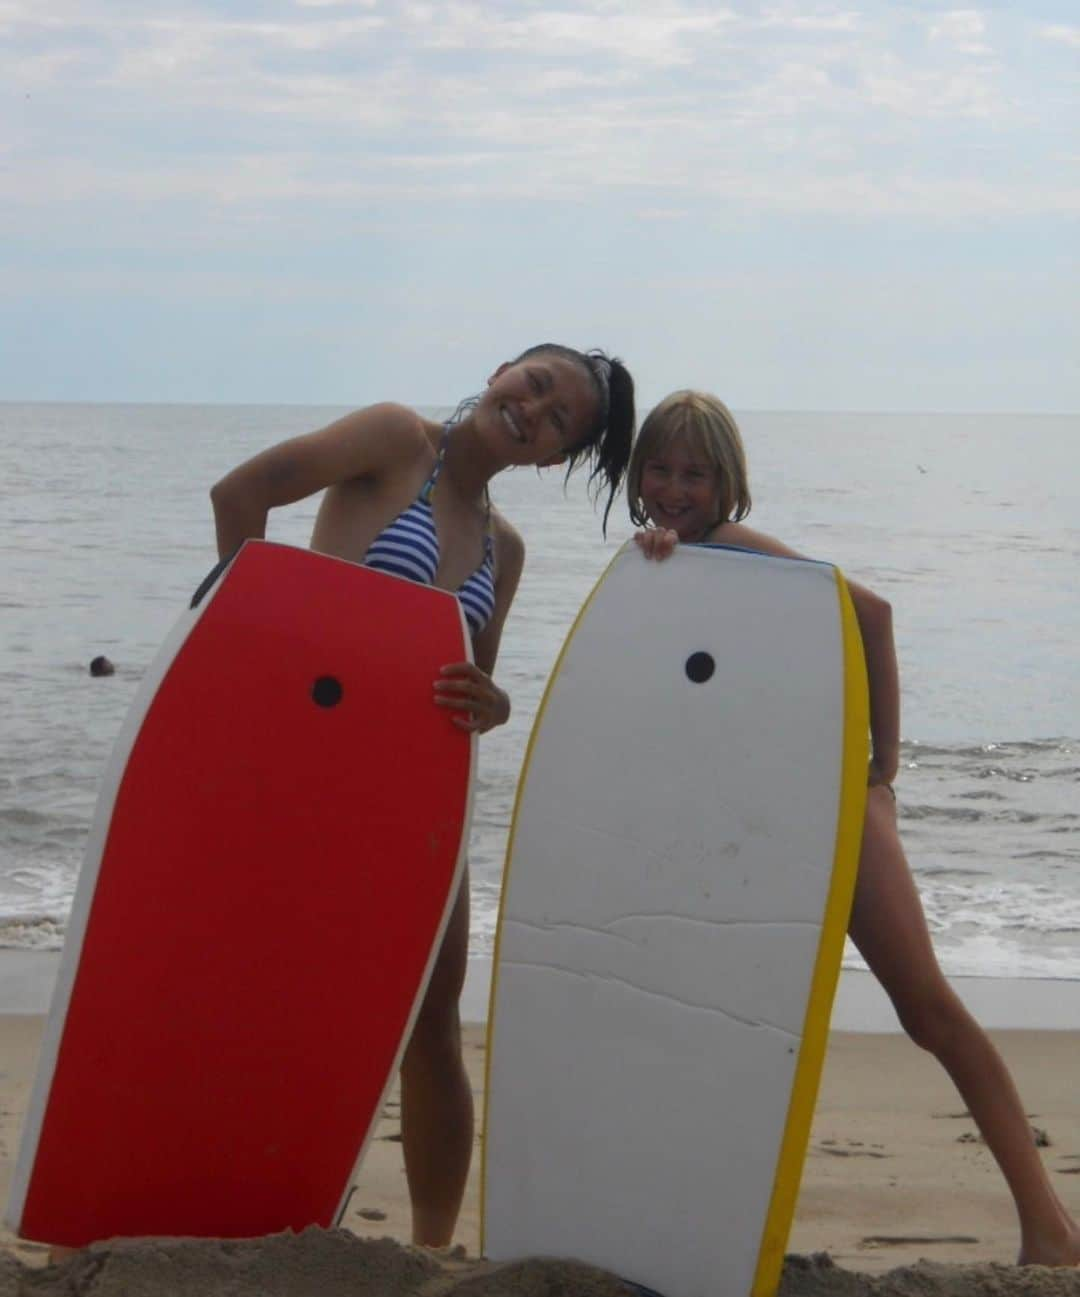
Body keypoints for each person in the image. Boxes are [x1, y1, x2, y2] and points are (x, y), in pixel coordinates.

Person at [627, 389, 1080, 1267]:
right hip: (764, 820)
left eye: (696, 472)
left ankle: (1051, 1228)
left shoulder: (732, 549)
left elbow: (871, 614)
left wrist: (884, 769)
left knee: (928, 1010)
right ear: (638, 473)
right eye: (661, 468)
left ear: (729, 484)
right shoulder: (675, 561)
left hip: (830, 805)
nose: (675, 486)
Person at [209, 344, 635, 1248]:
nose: (534, 408)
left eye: (558, 419)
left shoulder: (503, 548)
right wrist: (251, 654)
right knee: (274, 998)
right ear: (506, 367)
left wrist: (500, 702)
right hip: (310, 776)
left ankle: (432, 1250)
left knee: (434, 1027)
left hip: (415, 803)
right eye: (538, 382)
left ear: (553, 458)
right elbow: (239, 496)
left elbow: (467, 693)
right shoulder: (395, 440)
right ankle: (233, 1205)